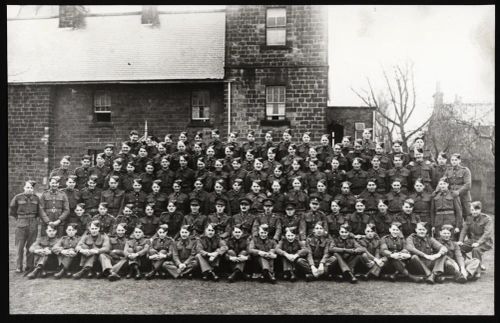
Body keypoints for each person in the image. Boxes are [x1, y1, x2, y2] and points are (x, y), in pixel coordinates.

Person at [9, 180, 42, 273]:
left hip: (33, 223)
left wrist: (34, 220)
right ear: (24, 188)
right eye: (27, 187)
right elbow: (12, 210)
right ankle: (19, 266)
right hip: (21, 223)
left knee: (31, 246)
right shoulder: (17, 197)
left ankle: (29, 266)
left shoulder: (36, 198)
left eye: (31, 188)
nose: (29, 189)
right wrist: (19, 218)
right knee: (20, 246)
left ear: (33, 189)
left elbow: (39, 211)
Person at [458, 201, 493, 278]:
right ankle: (463, 266)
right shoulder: (469, 218)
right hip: (472, 240)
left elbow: (487, 233)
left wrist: (479, 243)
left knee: (476, 250)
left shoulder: (486, 219)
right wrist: (460, 240)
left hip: (485, 242)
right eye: (472, 210)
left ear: (480, 209)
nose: (474, 212)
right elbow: (464, 230)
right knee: (459, 248)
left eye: (476, 210)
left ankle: (477, 271)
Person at [444, 153, 472, 219]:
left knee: (467, 216)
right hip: (452, 196)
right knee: (454, 216)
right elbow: (443, 181)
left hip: (464, 197)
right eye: (452, 160)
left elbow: (468, 185)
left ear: (459, 161)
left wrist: (458, 192)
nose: (453, 161)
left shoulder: (465, 170)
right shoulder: (448, 170)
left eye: (455, 160)